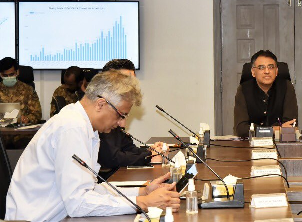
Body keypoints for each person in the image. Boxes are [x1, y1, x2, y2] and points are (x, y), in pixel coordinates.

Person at [5, 71, 181, 221]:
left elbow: (88, 189)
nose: (122, 124)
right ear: (101, 104)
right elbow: (78, 204)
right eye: (121, 115)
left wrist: (143, 191)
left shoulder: (85, 126)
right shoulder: (72, 128)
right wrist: (143, 203)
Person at [97, 59, 164, 171]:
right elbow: (112, 158)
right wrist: (149, 156)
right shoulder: (99, 112)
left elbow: (126, 147)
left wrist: (150, 152)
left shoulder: (116, 109)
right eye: (126, 82)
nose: (131, 87)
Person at [234, 50, 298, 137]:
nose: (267, 71)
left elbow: (290, 126)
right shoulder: (244, 89)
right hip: (250, 144)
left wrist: (259, 130)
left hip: (280, 143)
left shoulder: (286, 87)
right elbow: (241, 129)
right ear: (253, 72)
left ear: (276, 71)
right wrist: (273, 130)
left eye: (271, 67)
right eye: (261, 67)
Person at [0, 57, 42, 124]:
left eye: (11, 74)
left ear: (17, 72)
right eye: (5, 75)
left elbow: (37, 113)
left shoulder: (28, 90)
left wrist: (27, 118)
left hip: (21, 131)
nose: (8, 77)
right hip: (2, 132)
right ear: (0, 74)